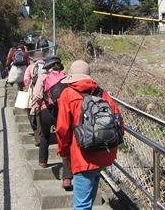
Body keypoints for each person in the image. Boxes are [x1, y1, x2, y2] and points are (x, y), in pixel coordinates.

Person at [56, 60, 124, 209]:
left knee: (81, 204)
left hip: (82, 155)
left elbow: (62, 129)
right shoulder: (102, 93)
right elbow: (119, 122)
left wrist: (64, 154)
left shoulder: (68, 93)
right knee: (89, 199)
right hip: (103, 153)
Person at [30, 55, 73, 190]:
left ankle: (43, 161)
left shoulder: (43, 77)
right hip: (63, 112)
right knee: (65, 141)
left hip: (46, 111)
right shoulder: (67, 77)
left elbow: (37, 95)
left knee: (44, 135)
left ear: (48, 66)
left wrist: (32, 111)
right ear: (60, 65)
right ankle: (67, 178)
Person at [24, 51, 45, 146]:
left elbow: (26, 79)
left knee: (36, 114)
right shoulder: (48, 66)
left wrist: (28, 88)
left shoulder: (31, 67)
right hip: (46, 93)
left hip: (35, 93)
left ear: (34, 59)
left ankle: (38, 138)